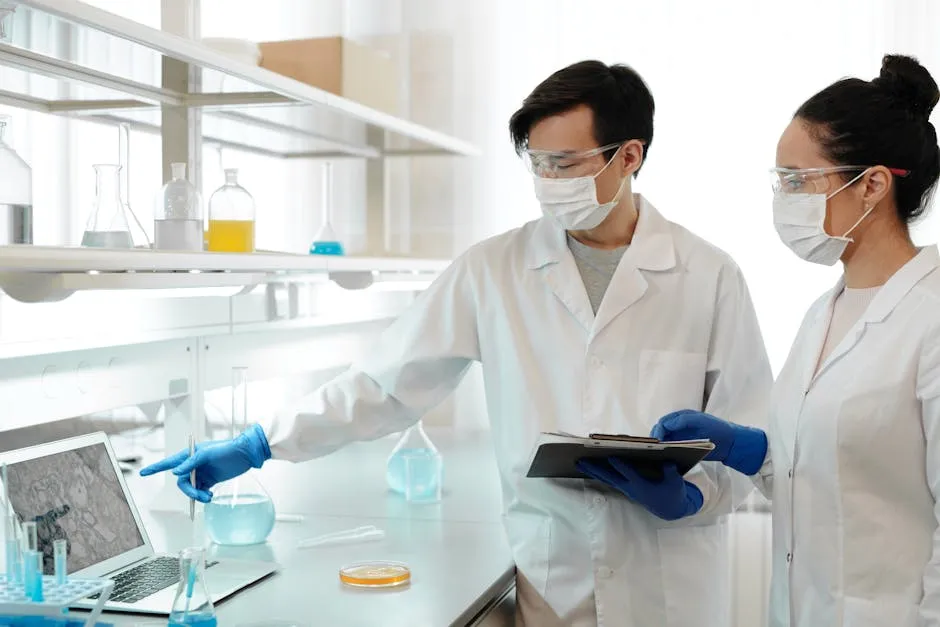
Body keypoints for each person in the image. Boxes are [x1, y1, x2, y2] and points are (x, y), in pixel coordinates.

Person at [141, 60, 771, 627]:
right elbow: (386, 384)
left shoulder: (708, 275)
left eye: (567, 164)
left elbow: (752, 431)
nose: (549, 181)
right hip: (556, 583)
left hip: (673, 587)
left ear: (629, 156)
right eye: (538, 163)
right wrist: (262, 443)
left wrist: (695, 496)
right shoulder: (494, 269)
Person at [652, 54, 940, 627]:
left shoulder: (931, 318)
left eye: (797, 181)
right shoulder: (822, 314)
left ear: (873, 185)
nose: (783, 199)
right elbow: (837, 474)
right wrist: (751, 453)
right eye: (779, 181)